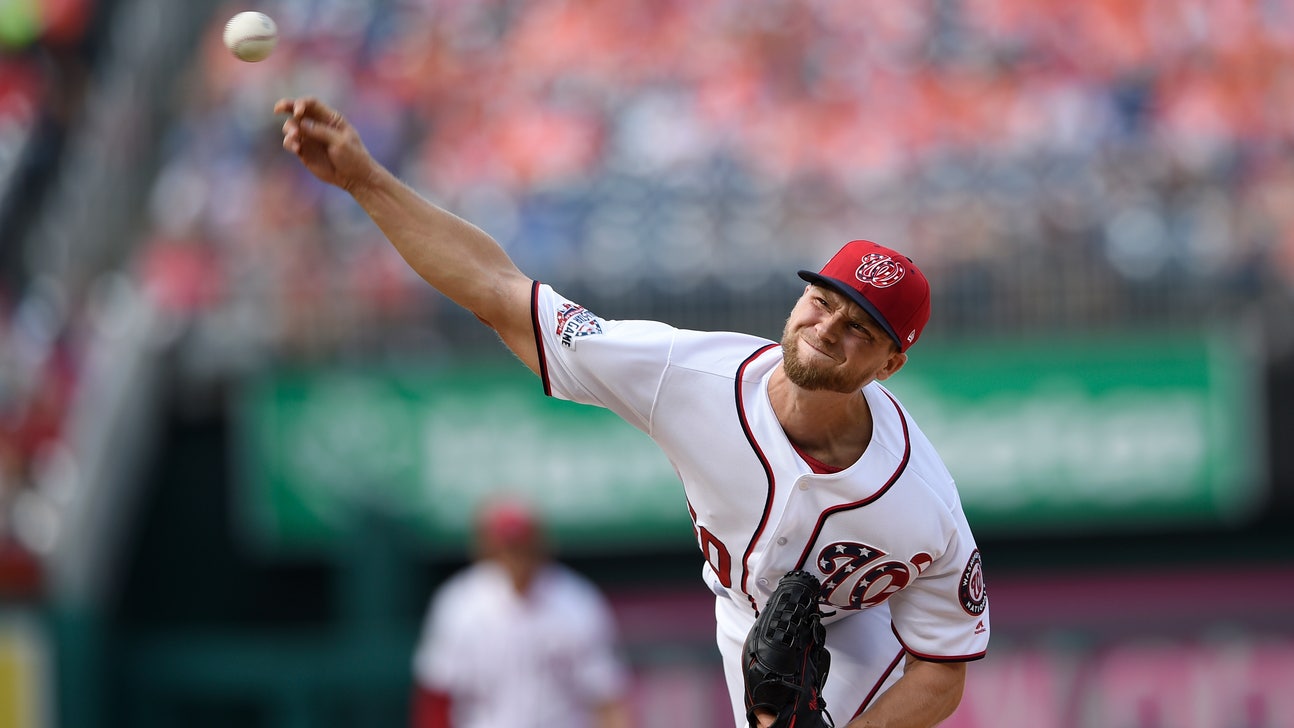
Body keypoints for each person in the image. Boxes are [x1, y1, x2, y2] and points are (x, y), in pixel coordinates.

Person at [275, 96, 989, 728]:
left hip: (864, 627)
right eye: (822, 301)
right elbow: (497, 289)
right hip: (746, 615)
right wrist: (364, 181)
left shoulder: (920, 505)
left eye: (859, 327)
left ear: (890, 364)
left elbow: (942, 670)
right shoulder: (690, 377)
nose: (827, 327)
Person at [410, 496, 634, 728]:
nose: (515, 555)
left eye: (522, 544)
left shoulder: (576, 602)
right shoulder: (460, 604)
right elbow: (436, 694)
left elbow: (607, 697)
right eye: (507, 545)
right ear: (489, 546)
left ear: (539, 543)